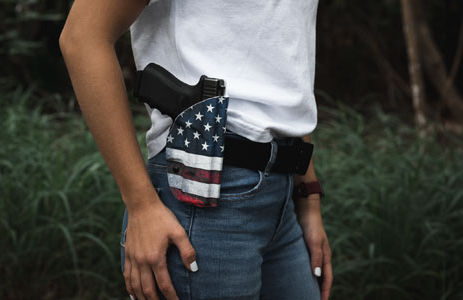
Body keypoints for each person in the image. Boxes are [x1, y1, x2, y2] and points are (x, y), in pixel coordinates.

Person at [59, 0, 332, 299]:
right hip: (204, 194)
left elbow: (283, 71)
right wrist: (141, 205)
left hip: (283, 195)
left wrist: (309, 197)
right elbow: (82, 37)